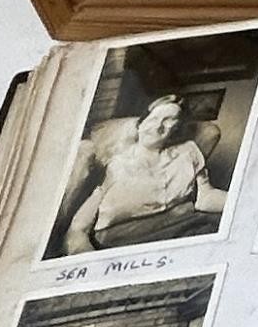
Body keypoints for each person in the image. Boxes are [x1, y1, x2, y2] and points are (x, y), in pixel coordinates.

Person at [62, 94, 226, 254]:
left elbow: (205, 197)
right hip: (124, 239)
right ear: (140, 125)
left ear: (176, 130)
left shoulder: (188, 151)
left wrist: (244, 201)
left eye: (168, 120)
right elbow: (79, 227)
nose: (157, 126)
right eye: (153, 119)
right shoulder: (113, 162)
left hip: (184, 224)